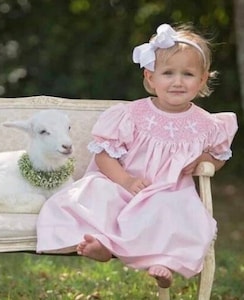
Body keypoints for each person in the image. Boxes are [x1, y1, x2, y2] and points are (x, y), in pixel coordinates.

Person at [37, 23, 238, 288]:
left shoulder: (207, 124)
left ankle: (163, 263)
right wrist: (126, 181)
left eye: (187, 74)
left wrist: (206, 161)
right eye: (168, 73)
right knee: (96, 192)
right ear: (150, 77)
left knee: (177, 213)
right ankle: (103, 247)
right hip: (126, 187)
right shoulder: (133, 115)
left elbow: (219, 156)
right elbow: (104, 156)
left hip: (169, 191)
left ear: (202, 80)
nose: (177, 81)